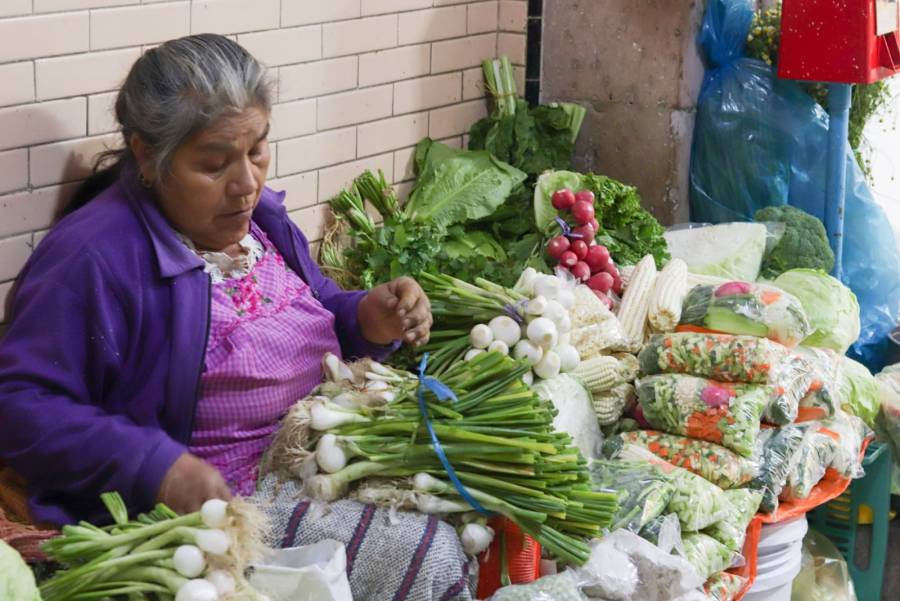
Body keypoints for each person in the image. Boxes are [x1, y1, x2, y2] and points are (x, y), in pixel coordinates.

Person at [0, 34, 473, 599]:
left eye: (257, 151)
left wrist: (369, 318)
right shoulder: (94, 258)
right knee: (428, 557)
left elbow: (319, 310)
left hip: (316, 458)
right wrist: (157, 466)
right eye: (215, 163)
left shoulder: (260, 222)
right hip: (236, 504)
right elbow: (19, 404)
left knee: (475, 497)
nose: (247, 183)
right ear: (149, 156)